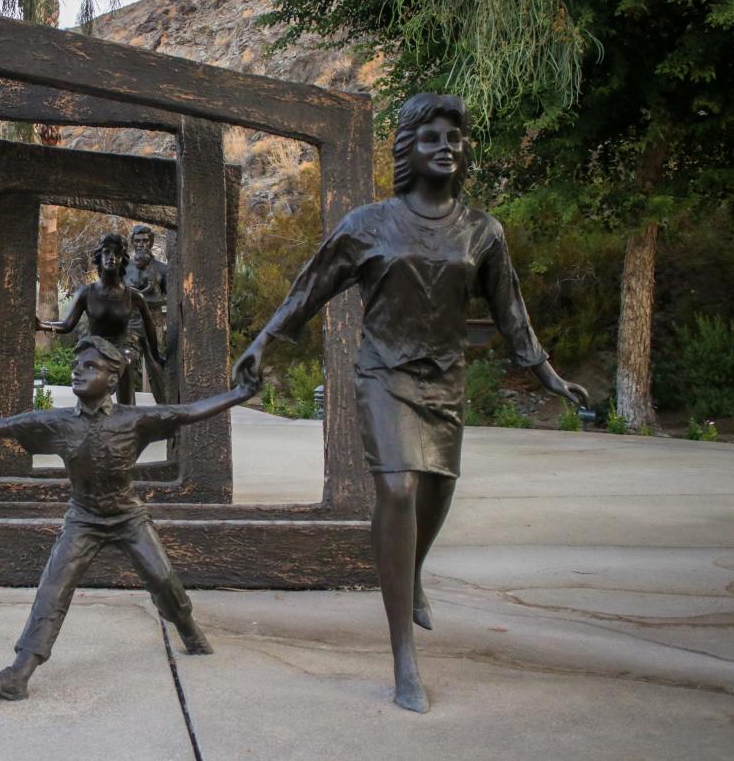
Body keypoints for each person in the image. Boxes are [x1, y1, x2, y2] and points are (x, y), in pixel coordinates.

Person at [232, 93, 588, 714]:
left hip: (445, 381)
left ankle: (411, 570)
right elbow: (310, 287)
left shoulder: (483, 231)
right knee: (397, 491)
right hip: (384, 373)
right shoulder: (368, 224)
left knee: (437, 493)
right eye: (431, 137)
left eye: (455, 136)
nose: (446, 146)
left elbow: (511, 313)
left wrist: (548, 373)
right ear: (407, 150)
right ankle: (403, 655)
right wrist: (264, 342)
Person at [0, 335, 256, 700]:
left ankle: (188, 628)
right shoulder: (57, 424)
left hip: (128, 517)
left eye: (91, 366)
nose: (77, 371)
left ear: (113, 379)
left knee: (163, 579)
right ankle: (18, 674)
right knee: (53, 588)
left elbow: (188, 412)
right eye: (77, 365)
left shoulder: (135, 421)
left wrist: (239, 393)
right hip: (83, 520)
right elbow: (8, 426)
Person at [37, 233, 165, 405]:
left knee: (125, 360)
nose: (111, 257)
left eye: (117, 254)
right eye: (106, 252)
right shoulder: (86, 293)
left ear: (122, 259)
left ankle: (127, 413)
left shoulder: (134, 296)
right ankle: (89, 411)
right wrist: (41, 325)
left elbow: (149, 326)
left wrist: (156, 356)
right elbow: (67, 325)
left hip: (122, 346)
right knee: (90, 366)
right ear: (99, 257)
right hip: (95, 345)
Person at [123, 224, 169, 403]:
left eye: (145, 241)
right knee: (126, 364)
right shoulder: (123, 268)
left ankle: (166, 411)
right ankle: (127, 411)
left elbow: (169, 299)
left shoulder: (163, 269)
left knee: (156, 365)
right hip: (129, 321)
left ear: (151, 242)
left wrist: (145, 297)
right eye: (137, 241)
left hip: (154, 321)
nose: (141, 244)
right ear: (132, 242)